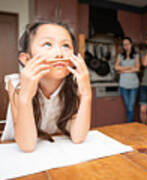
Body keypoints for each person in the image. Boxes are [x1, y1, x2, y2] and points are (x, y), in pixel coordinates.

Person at [1, 20, 92, 152]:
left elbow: (78, 137)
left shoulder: (75, 84)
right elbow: (27, 146)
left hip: (57, 150)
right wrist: (25, 96)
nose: (59, 53)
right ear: (26, 59)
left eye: (66, 46)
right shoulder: (15, 84)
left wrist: (86, 93)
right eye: (48, 44)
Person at [115, 37, 140, 123]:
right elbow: (116, 67)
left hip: (134, 85)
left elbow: (137, 68)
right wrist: (129, 68)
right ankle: (130, 125)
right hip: (123, 85)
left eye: (127, 44)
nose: (126, 46)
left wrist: (122, 70)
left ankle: (129, 125)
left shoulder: (136, 56)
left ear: (131, 44)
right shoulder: (120, 56)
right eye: (124, 45)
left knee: (130, 107)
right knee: (128, 107)